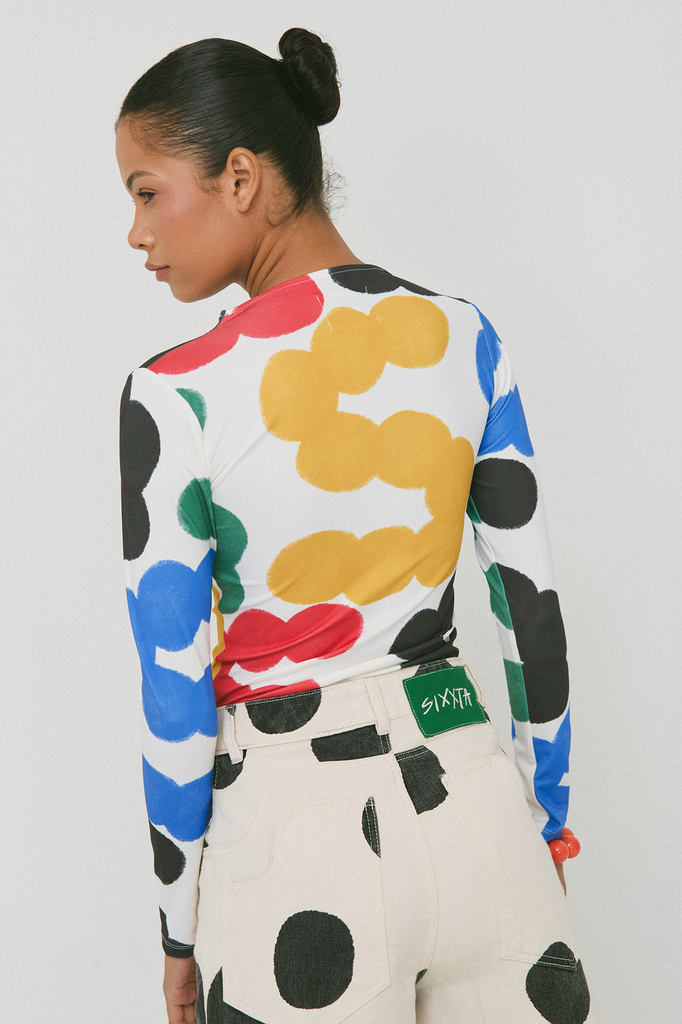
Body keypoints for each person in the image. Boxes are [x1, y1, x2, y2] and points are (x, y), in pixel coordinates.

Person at [116, 27, 597, 1024]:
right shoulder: (465, 337)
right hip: (477, 810)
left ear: (240, 177)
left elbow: (174, 690)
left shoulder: (175, 394)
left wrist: (178, 927)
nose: (136, 231)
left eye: (147, 192)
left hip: (293, 845)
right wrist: (543, 822)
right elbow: (531, 615)